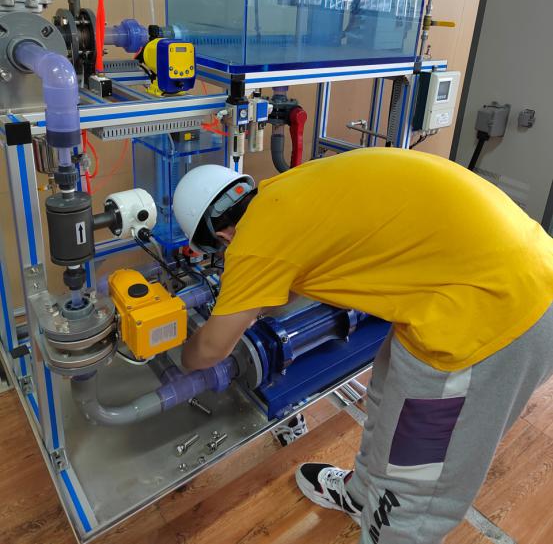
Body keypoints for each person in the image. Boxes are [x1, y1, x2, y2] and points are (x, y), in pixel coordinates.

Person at [173, 148, 553, 544]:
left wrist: (182, 357)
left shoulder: (253, 241)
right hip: (516, 267)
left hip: (495, 316)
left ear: (221, 237)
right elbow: (285, 289)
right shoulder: (282, 193)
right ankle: (361, 495)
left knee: (415, 485)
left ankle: (392, 524)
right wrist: (245, 302)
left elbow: (210, 351)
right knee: (386, 395)